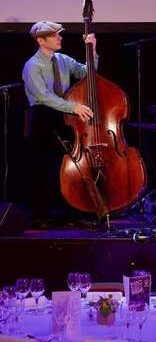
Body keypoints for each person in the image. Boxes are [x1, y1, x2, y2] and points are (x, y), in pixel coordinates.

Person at [22, 21, 98, 227]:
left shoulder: (63, 59)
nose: (60, 38)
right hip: (42, 117)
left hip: (62, 114)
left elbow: (87, 73)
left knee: (66, 165)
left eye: (59, 35)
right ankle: (41, 216)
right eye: (55, 35)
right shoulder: (32, 66)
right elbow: (44, 97)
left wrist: (92, 49)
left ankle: (70, 213)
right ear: (41, 40)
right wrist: (73, 107)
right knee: (44, 167)